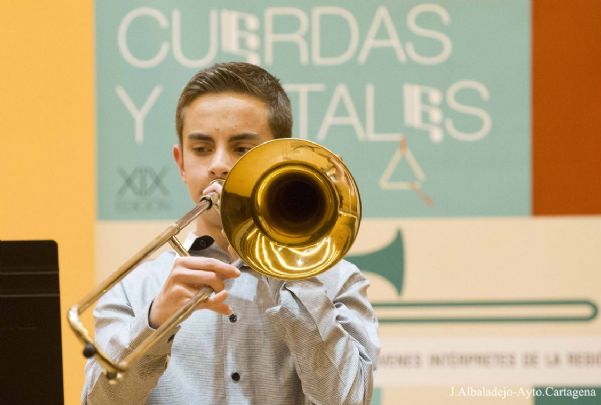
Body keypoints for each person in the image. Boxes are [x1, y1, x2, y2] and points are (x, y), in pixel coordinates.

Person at [83, 62, 380, 405]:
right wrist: (154, 323)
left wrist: (289, 271)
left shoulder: (337, 281)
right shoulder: (133, 288)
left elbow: (346, 401)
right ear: (181, 162)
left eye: (241, 149)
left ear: (278, 158)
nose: (219, 164)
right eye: (201, 148)